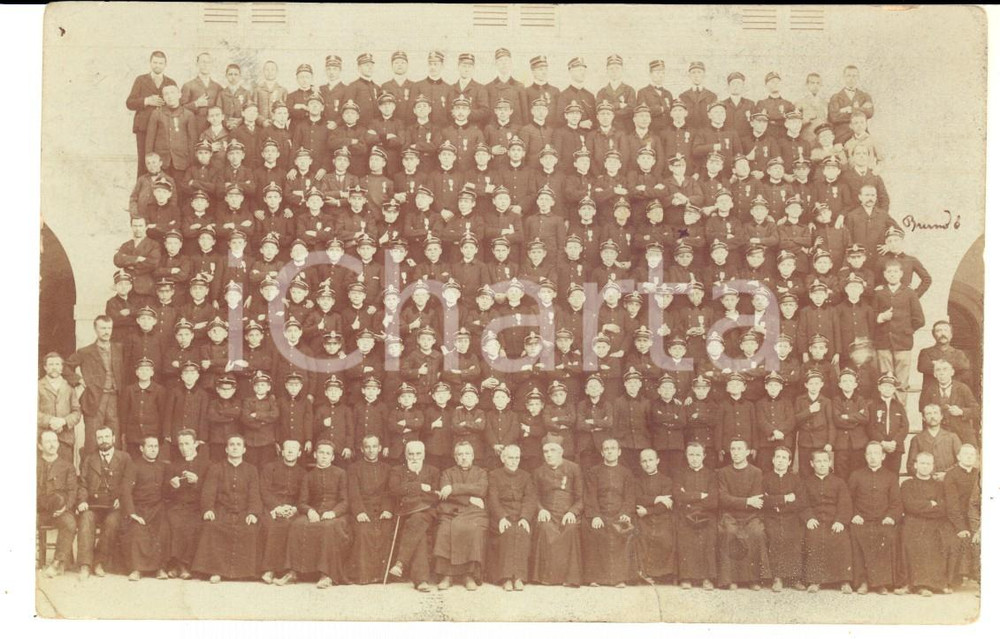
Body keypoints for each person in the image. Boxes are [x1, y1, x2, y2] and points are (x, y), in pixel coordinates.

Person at [192, 434, 263, 583]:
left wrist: (253, 513)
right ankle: (215, 571)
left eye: (238, 445)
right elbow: (208, 492)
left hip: (244, 511)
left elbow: (255, 494)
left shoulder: (251, 470)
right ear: (226, 449)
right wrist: (208, 509)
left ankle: (245, 572)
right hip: (222, 510)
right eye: (232, 445)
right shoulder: (216, 468)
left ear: (244, 450)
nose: (235, 447)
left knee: (250, 528)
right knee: (213, 527)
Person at [287, 440, 352, 588]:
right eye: (321, 453)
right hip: (314, 512)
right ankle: (293, 572)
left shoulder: (341, 474)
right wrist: (310, 511)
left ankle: (326, 575)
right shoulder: (308, 476)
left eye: (328, 453)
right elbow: (302, 502)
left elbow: (345, 501)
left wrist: (334, 512)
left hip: (336, 515)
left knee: (329, 528)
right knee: (297, 525)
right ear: (315, 455)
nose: (324, 456)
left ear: (332, 457)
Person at [76, 426, 134, 579]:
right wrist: (82, 500)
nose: (104, 440)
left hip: (113, 506)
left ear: (114, 438)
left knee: (112, 522)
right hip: (93, 504)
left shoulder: (124, 458)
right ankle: (85, 565)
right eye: (100, 437)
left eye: (107, 437)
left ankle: (99, 562)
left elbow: (128, 482)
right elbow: (82, 484)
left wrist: (121, 499)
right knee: (86, 518)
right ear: (96, 440)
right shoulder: (89, 458)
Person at [847, 441, 902, 595]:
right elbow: (848, 500)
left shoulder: (891, 477)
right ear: (865, 456)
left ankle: (880, 583)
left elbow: (896, 503)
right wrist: (854, 514)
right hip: (861, 519)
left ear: (883, 456)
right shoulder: (856, 475)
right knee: (858, 534)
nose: (872, 457)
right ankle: (863, 581)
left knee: (886, 535)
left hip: (882, 520)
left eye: (876, 453)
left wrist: (891, 517)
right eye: (869, 453)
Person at [433, 440, 489, 590]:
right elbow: (445, 495)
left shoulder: (481, 473)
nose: (464, 457)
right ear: (455, 457)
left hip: (474, 512)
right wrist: (469, 497)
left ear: (473, 456)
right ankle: (447, 575)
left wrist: (454, 487)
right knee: (444, 530)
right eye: (460, 454)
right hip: (451, 510)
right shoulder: (447, 473)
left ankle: (469, 575)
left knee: (473, 530)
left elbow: (481, 490)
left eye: (467, 454)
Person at [716, 438, 770, 590]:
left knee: (756, 532)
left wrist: (742, 502)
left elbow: (757, 500)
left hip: (751, 516)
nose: (736, 453)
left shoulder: (756, 472)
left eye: (740, 449)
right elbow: (723, 498)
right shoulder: (723, 472)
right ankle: (730, 579)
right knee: (729, 532)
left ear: (747, 452)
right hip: (730, 516)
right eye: (733, 449)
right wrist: (746, 501)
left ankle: (753, 579)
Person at [582, 438, 637, 587]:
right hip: (599, 513)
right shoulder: (593, 472)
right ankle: (595, 578)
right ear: (602, 453)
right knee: (593, 531)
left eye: (613, 448)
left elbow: (630, 496)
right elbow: (590, 496)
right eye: (606, 449)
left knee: (623, 531)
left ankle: (620, 578)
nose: (610, 451)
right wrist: (595, 516)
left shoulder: (626, 473)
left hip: (620, 514)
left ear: (619, 452)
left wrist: (625, 512)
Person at [531, 437, 585, 587]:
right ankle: (547, 577)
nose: (549, 454)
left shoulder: (574, 468)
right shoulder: (538, 472)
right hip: (548, 513)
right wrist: (541, 510)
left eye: (552, 450)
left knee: (571, 528)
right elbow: (533, 497)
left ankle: (570, 578)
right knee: (544, 528)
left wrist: (573, 512)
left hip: (567, 513)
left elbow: (581, 497)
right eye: (545, 451)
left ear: (561, 452)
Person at [387, 440, 439, 591]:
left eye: (418, 454)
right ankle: (421, 580)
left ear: (424, 455)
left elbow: (435, 495)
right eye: (411, 454)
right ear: (405, 455)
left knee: (417, 519)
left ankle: (400, 563)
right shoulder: (397, 471)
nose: (414, 457)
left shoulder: (433, 471)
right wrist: (420, 487)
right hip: (405, 514)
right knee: (419, 533)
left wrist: (410, 493)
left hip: (428, 512)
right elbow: (394, 490)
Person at [800, 449, 853, 593]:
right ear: (812, 464)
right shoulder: (806, 483)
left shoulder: (839, 482)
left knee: (842, 540)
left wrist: (840, 521)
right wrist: (809, 518)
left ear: (830, 463)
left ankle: (844, 581)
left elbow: (845, 504)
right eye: (818, 461)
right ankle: (814, 580)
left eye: (825, 461)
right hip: (816, 521)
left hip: (834, 521)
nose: (822, 465)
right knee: (813, 538)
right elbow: (803, 504)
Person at [486, 444, 537, 591]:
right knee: (508, 533)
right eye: (510, 458)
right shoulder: (494, 475)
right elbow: (493, 499)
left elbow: (530, 499)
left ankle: (519, 577)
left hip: (520, 516)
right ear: (503, 458)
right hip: (501, 517)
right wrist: (501, 517)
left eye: (517, 458)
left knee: (521, 532)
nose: (514, 461)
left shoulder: (526, 476)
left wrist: (525, 518)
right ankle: (506, 577)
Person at [898, 452, 949, 596]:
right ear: (915, 465)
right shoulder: (907, 484)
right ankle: (916, 585)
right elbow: (909, 505)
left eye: (928, 464)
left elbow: (942, 508)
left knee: (933, 540)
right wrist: (930, 504)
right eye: (922, 463)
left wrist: (924, 508)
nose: (925, 466)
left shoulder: (939, 486)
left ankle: (934, 584)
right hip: (913, 522)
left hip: (934, 523)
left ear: (933, 466)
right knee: (913, 539)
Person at [122, 435, 171, 581]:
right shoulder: (134, 465)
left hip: (158, 508)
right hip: (139, 508)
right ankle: (136, 569)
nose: (153, 449)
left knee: (163, 530)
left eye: (156, 446)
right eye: (150, 446)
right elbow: (125, 490)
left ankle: (160, 568)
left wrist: (172, 486)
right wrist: (132, 513)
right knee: (137, 531)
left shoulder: (162, 466)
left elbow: (165, 492)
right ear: (141, 448)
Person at [347, 435, 394, 584]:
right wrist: (359, 512)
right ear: (362, 449)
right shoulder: (354, 468)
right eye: (367, 447)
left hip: (381, 509)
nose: (371, 450)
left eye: (374, 446)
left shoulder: (387, 468)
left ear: (380, 448)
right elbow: (353, 493)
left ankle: (381, 574)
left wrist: (387, 509)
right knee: (363, 532)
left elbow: (389, 492)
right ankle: (364, 575)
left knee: (386, 530)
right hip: (363, 509)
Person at [258, 440, 306, 585]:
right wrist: (277, 507)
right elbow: (264, 491)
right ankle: (269, 569)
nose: (290, 451)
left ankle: (287, 571)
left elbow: (303, 496)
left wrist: (294, 509)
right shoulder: (270, 468)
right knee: (271, 526)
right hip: (272, 507)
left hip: (292, 509)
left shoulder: (303, 473)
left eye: (294, 449)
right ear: (282, 452)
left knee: (293, 527)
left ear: (299, 453)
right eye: (287, 449)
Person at [164, 428, 209, 579]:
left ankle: (183, 565)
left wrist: (197, 482)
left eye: (187, 444)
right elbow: (166, 494)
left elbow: (211, 491)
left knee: (192, 524)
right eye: (181, 444)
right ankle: (178, 565)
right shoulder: (173, 465)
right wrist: (172, 486)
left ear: (196, 444)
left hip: (197, 507)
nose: (184, 448)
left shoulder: (206, 465)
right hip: (177, 506)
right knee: (173, 521)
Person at [126, 51, 177, 177]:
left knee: (163, 160)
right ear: (150, 63)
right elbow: (129, 103)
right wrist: (146, 101)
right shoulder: (141, 80)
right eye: (155, 62)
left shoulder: (170, 82)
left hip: (163, 128)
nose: (157, 66)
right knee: (145, 161)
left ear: (165, 65)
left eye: (160, 63)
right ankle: (142, 193)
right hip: (143, 127)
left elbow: (175, 104)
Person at [674, 441, 718, 590]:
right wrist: (700, 495)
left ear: (704, 456)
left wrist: (690, 499)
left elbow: (713, 500)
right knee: (685, 535)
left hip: (706, 514)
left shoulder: (712, 475)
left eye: (697, 455)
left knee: (708, 535)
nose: (694, 458)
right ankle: (687, 577)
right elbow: (678, 496)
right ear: (686, 456)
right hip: (685, 514)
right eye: (691, 454)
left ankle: (707, 578)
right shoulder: (680, 474)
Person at [761, 446, 805, 592]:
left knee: (794, 536)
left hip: (790, 516)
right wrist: (784, 499)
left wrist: (780, 505)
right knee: (775, 536)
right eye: (778, 457)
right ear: (773, 460)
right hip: (771, 516)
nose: (780, 461)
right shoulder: (765, 478)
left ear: (789, 462)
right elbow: (763, 500)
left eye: (784, 458)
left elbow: (800, 501)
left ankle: (794, 577)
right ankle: (777, 577)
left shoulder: (795, 479)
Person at [37, 430, 78, 578]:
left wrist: (64, 508)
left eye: (55, 441)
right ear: (40, 446)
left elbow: (73, 491)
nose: (52, 444)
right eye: (48, 441)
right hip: (38, 511)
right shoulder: (33, 464)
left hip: (60, 510)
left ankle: (56, 562)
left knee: (70, 523)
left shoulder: (67, 466)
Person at [633, 448, 676, 584]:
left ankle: (662, 574)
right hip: (643, 519)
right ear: (640, 463)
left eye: (650, 460)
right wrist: (657, 498)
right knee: (643, 535)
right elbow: (637, 498)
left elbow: (666, 504)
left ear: (657, 461)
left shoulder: (666, 480)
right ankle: (644, 573)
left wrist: (648, 511)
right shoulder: (637, 481)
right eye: (644, 461)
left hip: (661, 517)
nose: (647, 464)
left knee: (665, 536)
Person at [38, 352, 82, 464]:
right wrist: (50, 421)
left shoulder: (69, 386)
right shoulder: (38, 386)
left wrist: (63, 421)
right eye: (51, 364)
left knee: (65, 470)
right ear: (45, 367)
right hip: (43, 439)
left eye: (57, 364)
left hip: (65, 439)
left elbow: (77, 412)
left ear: (62, 368)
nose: (54, 368)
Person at [907, 404, 963, 477]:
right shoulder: (917, 439)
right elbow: (911, 466)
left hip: (949, 482)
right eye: (928, 414)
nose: (932, 416)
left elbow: (962, 461)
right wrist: (928, 475)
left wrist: (947, 475)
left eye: (935, 413)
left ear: (941, 416)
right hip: (927, 483)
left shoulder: (952, 437)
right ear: (923, 418)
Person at [917, 319, 972, 388]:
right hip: (931, 392)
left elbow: (964, 366)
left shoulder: (959, 353)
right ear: (933, 335)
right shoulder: (925, 352)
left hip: (953, 392)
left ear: (951, 335)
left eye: (946, 330)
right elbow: (923, 367)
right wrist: (951, 365)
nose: (943, 334)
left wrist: (936, 364)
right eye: (938, 331)